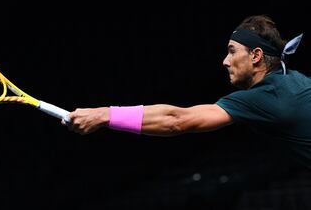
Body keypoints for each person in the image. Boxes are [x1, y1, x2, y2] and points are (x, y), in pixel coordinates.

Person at [64, 15, 311, 168]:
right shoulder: (297, 82)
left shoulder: (264, 97)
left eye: (232, 50)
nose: (225, 61)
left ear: (256, 55)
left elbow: (176, 120)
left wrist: (104, 115)